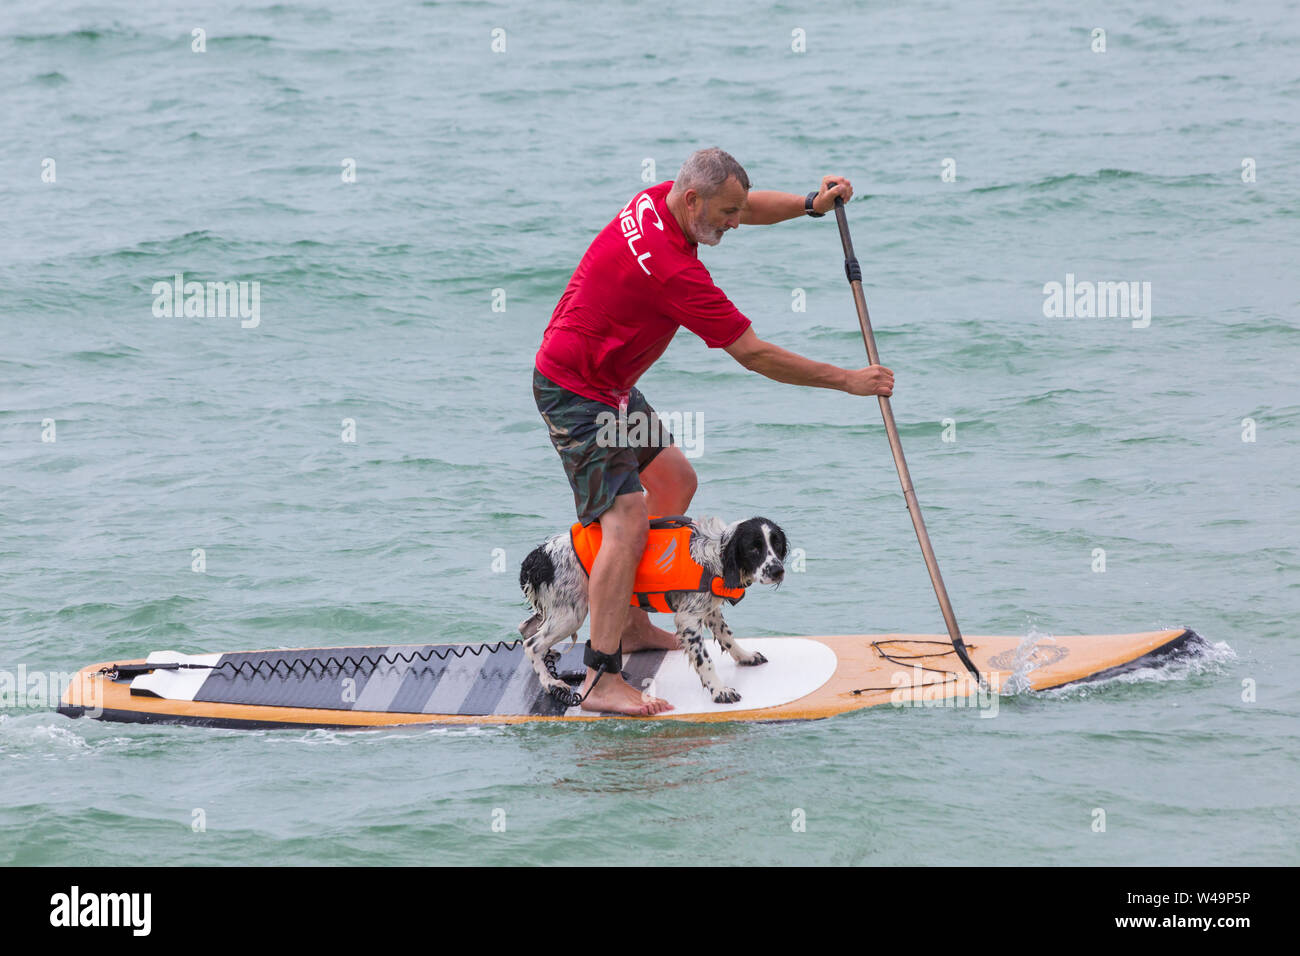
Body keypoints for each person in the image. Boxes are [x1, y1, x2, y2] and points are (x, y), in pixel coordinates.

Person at [532, 147, 894, 715]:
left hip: (610, 384)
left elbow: (746, 207)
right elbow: (753, 354)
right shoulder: (675, 271)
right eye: (725, 213)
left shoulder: (662, 200)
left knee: (674, 483)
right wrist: (847, 380)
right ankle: (601, 679)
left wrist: (809, 205)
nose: (733, 222)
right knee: (625, 520)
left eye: (735, 211)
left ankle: (628, 624)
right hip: (576, 390)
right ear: (695, 199)